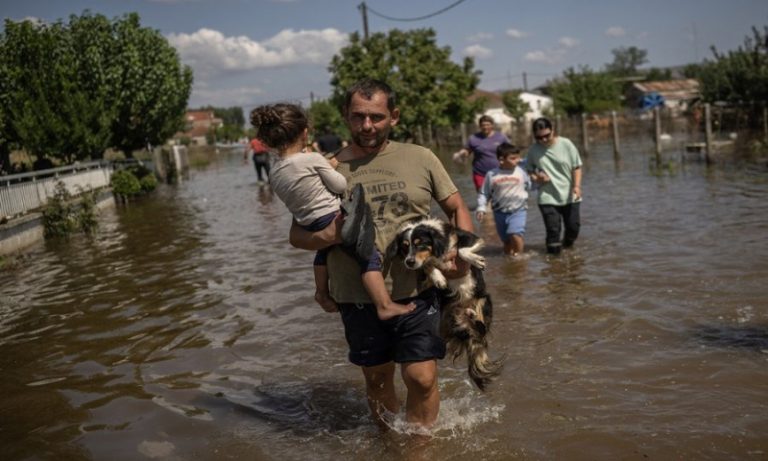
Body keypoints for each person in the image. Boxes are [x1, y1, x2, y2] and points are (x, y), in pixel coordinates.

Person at [288, 78, 473, 432]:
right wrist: (331, 234)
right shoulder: (325, 170)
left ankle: (418, 452)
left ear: (394, 116)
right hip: (357, 296)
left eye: (376, 117)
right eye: (358, 117)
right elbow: (297, 235)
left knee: (421, 377)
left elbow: (455, 206)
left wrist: (460, 252)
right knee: (377, 381)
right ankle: (390, 442)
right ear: (346, 116)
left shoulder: (421, 157)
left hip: (418, 288)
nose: (367, 126)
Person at [251, 103, 415, 321]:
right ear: (305, 133)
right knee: (369, 256)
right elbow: (338, 185)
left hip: (307, 222)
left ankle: (321, 292)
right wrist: (329, 167)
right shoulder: (311, 158)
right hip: (333, 216)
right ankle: (384, 304)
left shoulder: (275, 172)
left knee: (324, 251)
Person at [525, 117, 583, 255]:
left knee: (573, 227)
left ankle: (568, 250)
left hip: (570, 194)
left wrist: (577, 186)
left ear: (553, 130)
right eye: (539, 137)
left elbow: (577, 166)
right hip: (547, 196)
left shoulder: (566, 144)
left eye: (547, 135)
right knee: (553, 230)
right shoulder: (533, 150)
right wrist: (536, 177)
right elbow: (529, 170)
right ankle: (554, 266)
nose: (544, 140)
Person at [476, 142, 531, 256]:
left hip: (518, 210)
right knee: (506, 241)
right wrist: (481, 208)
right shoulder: (491, 175)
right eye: (513, 158)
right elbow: (484, 193)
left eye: (518, 157)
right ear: (501, 160)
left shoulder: (521, 171)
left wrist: (538, 180)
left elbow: (530, 185)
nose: (518, 160)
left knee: (515, 234)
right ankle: (508, 258)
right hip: (499, 212)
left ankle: (519, 258)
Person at [453, 115, 510, 191]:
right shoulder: (473, 138)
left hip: (498, 173)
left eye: (488, 125)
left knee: (499, 197)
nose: (485, 127)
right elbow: (467, 151)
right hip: (480, 173)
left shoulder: (501, 137)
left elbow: (510, 151)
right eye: (483, 125)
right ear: (479, 126)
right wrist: (461, 154)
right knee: (483, 197)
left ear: (492, 125)